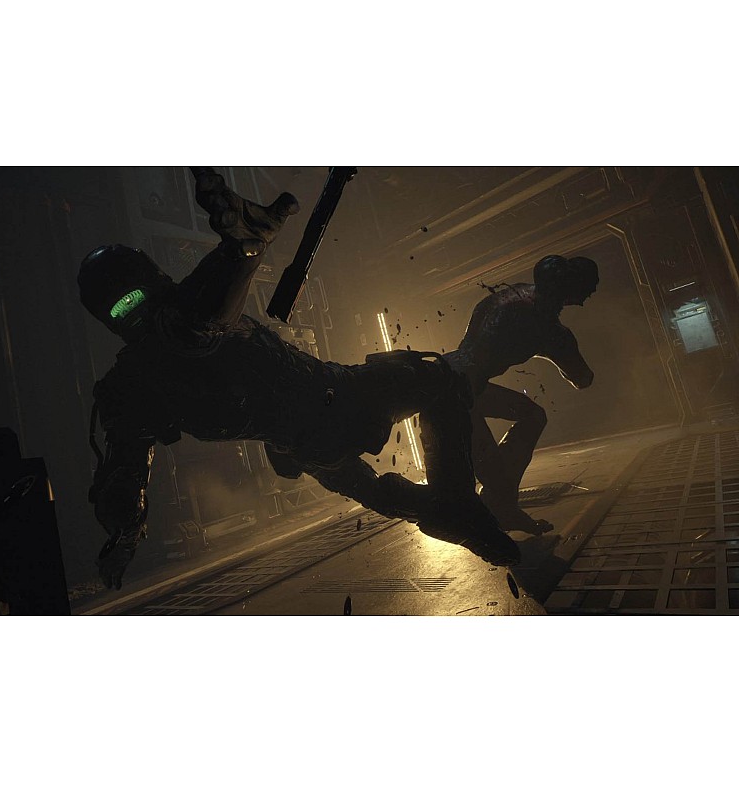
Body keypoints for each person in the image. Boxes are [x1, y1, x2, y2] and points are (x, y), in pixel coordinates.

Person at [79, 168, 520, 589]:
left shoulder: (133, 380)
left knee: (372, 487)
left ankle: (451, 516)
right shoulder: (166, 343)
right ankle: (456, 507)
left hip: (305, 444)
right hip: (334, 400)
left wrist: (125, 535)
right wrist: (242, 250)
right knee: (437, 380)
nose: (137, 313)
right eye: (124, 307)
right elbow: (190, 330)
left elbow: (125, 470)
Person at [443, 254, 599, 534]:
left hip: (454, 379)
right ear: (569, 289)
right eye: (586, 288)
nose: (591, 294)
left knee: (532, 416)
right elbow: (581, 378)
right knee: (497, 481)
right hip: (458, 395)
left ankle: (501, 506)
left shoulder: (513, 293)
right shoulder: (547, 328)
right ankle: (497, 511)